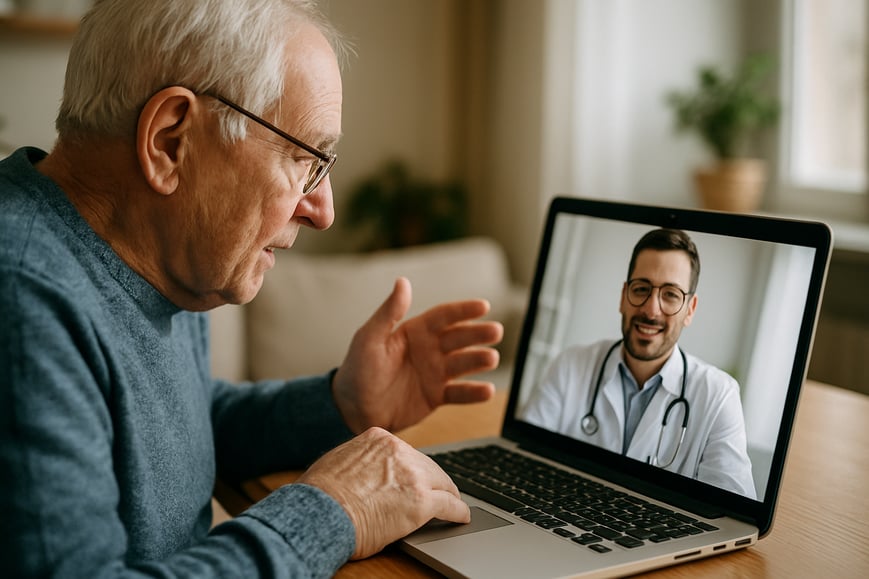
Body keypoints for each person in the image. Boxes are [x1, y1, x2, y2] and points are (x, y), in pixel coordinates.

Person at [0, 1, 505, 577]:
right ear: (171, 142)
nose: (324, 210)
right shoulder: (22, 299)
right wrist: (336, 509)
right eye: (303, 158)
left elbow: (168, 432)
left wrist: (341, 404)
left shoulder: (155, 253)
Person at [520, 228, 756, 498]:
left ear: (690, 310)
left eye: (670, 294)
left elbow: (732, 515)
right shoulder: (570, 366)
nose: (651, 309)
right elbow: (523, 458)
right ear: (623, 296)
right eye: (641, 288)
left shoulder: (718, 395)